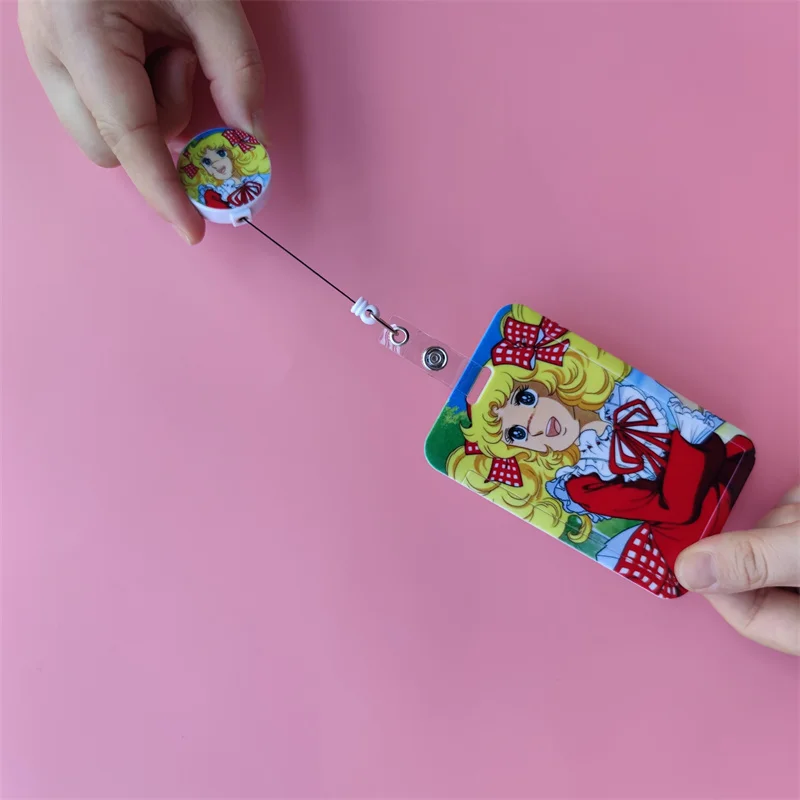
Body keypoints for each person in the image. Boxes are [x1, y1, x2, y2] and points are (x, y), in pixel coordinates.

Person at [18, 1, 798, 655]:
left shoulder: (604, 425)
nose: (532, 419)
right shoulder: (581, 481)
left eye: (524, 403)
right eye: (517, 426)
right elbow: (626, 503)